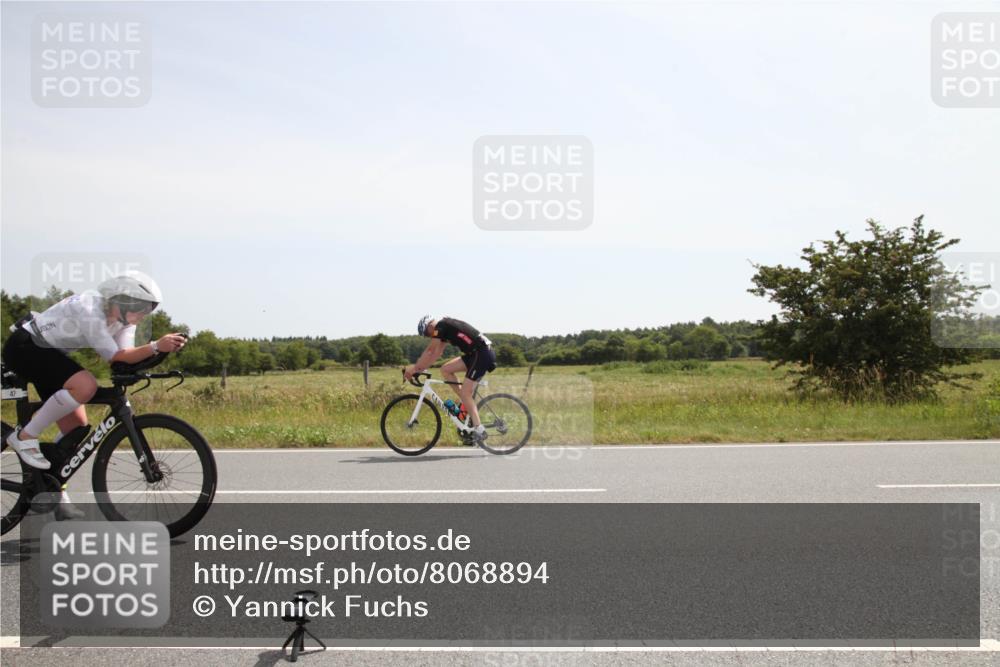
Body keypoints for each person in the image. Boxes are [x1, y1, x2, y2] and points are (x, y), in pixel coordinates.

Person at [2, 273, 187, 517]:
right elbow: (116, 357)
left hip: (48, 353)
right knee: (85, 386)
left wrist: (159, 354)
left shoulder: (123, 321)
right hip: (26, 347)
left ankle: (53, 493)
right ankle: (25, 436)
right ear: (121, 300)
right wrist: (155, 346)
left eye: (149, 309)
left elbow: (125, 354)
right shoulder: (90, 310)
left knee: (76, 428)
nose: (144, 315)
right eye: (142, 307)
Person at [404, 316, 496, 444]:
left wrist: (414, 368)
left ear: (429, 326)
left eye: (426, 334)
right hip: (475, 354)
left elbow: (430, 350)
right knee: (445, 369)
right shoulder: (443, 330)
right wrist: (420, 369)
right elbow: (436, 354)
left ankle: (479, 430)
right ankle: (465, 408)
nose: (428, 337)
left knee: (465, 393)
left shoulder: (441, 325)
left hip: (481, 354)